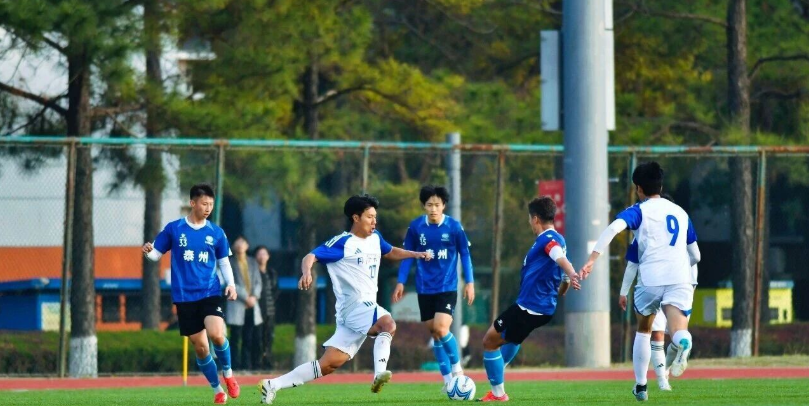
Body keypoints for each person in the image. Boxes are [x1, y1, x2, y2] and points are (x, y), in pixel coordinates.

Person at [258, 194, 434, 405]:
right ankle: (379, 374)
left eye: (375, 216)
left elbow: (389, 251)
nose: (374, 221)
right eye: (369, 217)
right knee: (387, 324)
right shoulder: (343, 243)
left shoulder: (375, 238)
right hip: (354, 307)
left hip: (358, 312)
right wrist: (306, 272)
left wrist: (415, 254)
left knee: (328, 364)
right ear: (356, 218)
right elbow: (310, 256)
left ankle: (273, 384)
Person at [579, 162, 701, 402]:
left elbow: (613, 229)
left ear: (639, 188)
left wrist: (592, 260)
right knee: (678, 330)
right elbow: (695, 255)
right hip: (680, 278)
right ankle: (684, 343)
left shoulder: (639, 210)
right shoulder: (680, 212)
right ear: (661, 186)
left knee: (644, 331)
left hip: (651, 278)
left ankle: (641, 386)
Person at [143, 183, 240, 404]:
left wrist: (231, 285)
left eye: (211, 204)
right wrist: (148, 252)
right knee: (201, 347)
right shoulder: (174, 229)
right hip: (184, 297)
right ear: (192, 203)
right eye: (204, 204)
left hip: (210, 292)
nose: (208, 208)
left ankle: (228, 374)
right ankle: (217, 390)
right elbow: (155, 254)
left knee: (217, 334)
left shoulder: (216, 232)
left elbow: (224, 262)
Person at [478, 196, 581, 402]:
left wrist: (571, 273)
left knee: (489, 341)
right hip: (542, 307)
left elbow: (558, 256)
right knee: (512, 339)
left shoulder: (547, 239)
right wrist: (564, 286)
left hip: (530, 306)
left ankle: (498, 394)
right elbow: (561, 268)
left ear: (535, 219)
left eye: (529, 219)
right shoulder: (559, 238)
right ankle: (498, 377)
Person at [392, 185, 475, 392]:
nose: (433, 209)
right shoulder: (416, 227)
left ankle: (457, 370)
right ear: (424, 206)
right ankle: (447, 381)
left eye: (437, 205)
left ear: (444, 205)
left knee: (441, 328)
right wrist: (401, 281)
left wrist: (470, 282)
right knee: (435, 334)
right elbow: (407, 256)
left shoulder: (454, 227)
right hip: (424, 288)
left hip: (447, 286)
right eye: (429, 205)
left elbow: (465, 254)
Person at [618, 193, 700, 392]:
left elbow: (632, 265)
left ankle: (656, 382)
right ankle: (674, 361)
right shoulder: (682, 226)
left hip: (654, 283)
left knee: (654, 335)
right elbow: (696, 256)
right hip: (683, 284)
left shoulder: (647, 233)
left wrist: (623, 291)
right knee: (677, 335)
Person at [226, 236, 263, 370]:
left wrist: (254, 297)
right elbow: (230, 282)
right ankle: (234, 366)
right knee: (235, 337)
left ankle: (247, 366)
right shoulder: (229, 262)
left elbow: (258, 282)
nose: (240, 244)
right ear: (233, 246)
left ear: (247, 246)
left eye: (243, 242)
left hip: (252, 305)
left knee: (249, 337)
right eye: (238, 242)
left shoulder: (253, 262)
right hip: (237, 303)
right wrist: (246, 297)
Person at [254, 245, 278, 370]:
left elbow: (276, 290)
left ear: (268, 256)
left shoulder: (272, 273)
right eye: (259, 254)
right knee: (257, 337)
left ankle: (267, 361)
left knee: (269, 337)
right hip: (257, 310)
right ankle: (256, 362)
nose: (262, 256)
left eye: (264, 254)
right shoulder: (253, 273)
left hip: (270, 310)